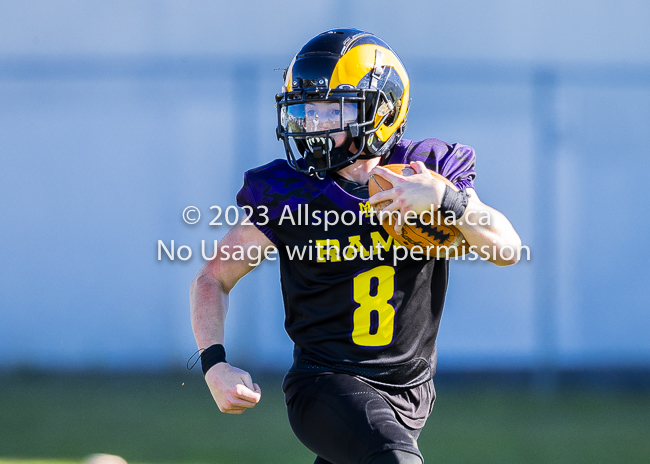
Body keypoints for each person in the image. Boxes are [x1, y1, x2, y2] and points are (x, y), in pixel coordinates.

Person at [190, 28, 522, 464]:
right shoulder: (292, 194)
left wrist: (445, 199)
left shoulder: (426, 171)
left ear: (381, 110)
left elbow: (507, 247)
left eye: (331, 110)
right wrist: (215, 364)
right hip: (323, 382)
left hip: (410, 392)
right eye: (308, 110)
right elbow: (213, 277)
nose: (313, 123)